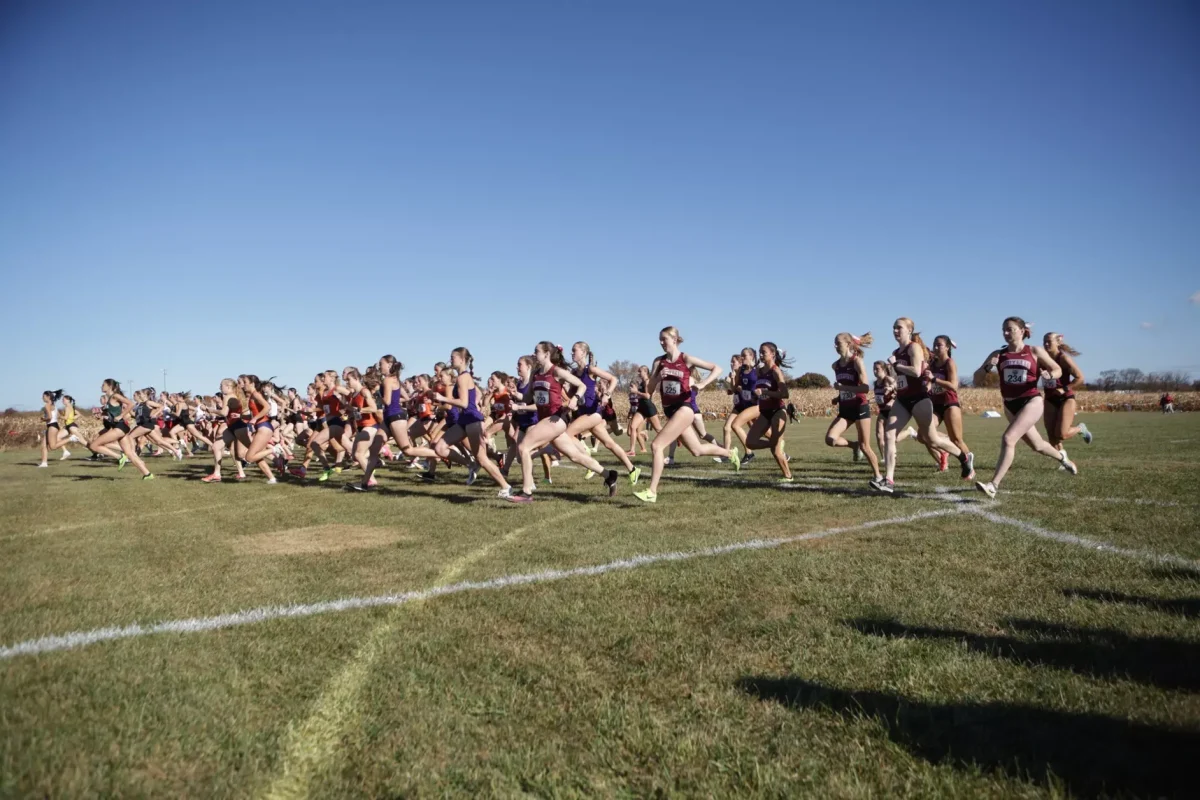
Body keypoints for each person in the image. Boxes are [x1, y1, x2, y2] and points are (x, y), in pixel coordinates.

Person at [973, 317, 1078, 498]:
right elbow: (976, 380)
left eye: (1010, 329)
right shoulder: (998, 354)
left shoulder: (1035, 351)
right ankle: (1063, 458)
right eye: (1004, 330)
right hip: (1010, 404)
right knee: (1037, 445)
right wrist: (988, 367)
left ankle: (993, 485)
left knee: (1008, 438)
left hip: (1031, 401)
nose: (1006, 333)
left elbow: (1057, 369)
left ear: (1022, 331)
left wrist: (1049, 374)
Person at [633, 327, 739, 503]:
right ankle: (730, 453)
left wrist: (703, 383)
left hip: (685, 408)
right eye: (659, 339)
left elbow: (717, 368)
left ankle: (652, 491)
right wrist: (656, 378)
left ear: (674, 339)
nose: (661, 343)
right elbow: (650, 391)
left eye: (664, 339)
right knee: (697, 450)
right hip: (670, 410)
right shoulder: (658, 362)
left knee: (657, 446)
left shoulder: (686, 359)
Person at [872, 317, 972, 494]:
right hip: (903, 400)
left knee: (931, 439)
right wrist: (894, 386)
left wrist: (895, 365)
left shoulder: (913, 348)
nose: (895, 331)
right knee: (888, 434)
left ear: (909, 330)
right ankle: (888, 480)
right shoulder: (896, 351)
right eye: (894, 328)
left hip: (920, 399)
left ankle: (964, 458)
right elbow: (902, 378)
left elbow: (917, 371)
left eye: (899, 328)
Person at [825, 333, 882, 483]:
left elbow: (864, 388)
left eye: (838, 343)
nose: (835, 346)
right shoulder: (835, 365)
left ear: (848, 344)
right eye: (834, 343)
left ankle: (878, 476)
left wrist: (843, 387)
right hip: (845, 409)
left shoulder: (857, 362)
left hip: (859, 407)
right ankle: (853, 445)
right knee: (830, 439)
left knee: (865, 446)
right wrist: (838, 397)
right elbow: (845, 389)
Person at [1042, 332, 1092, 454]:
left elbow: (1079, 378)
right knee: (1052, 436)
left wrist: (1064, 389)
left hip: (1065, 398)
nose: (1046, 344)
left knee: (1061, 434)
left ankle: (1080, 428)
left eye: (1049, 341)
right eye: (1044, 341)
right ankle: (1065, 463)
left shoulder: (1063, 358)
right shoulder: (1042, 359)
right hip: (1049, 398)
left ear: (1058, 342)